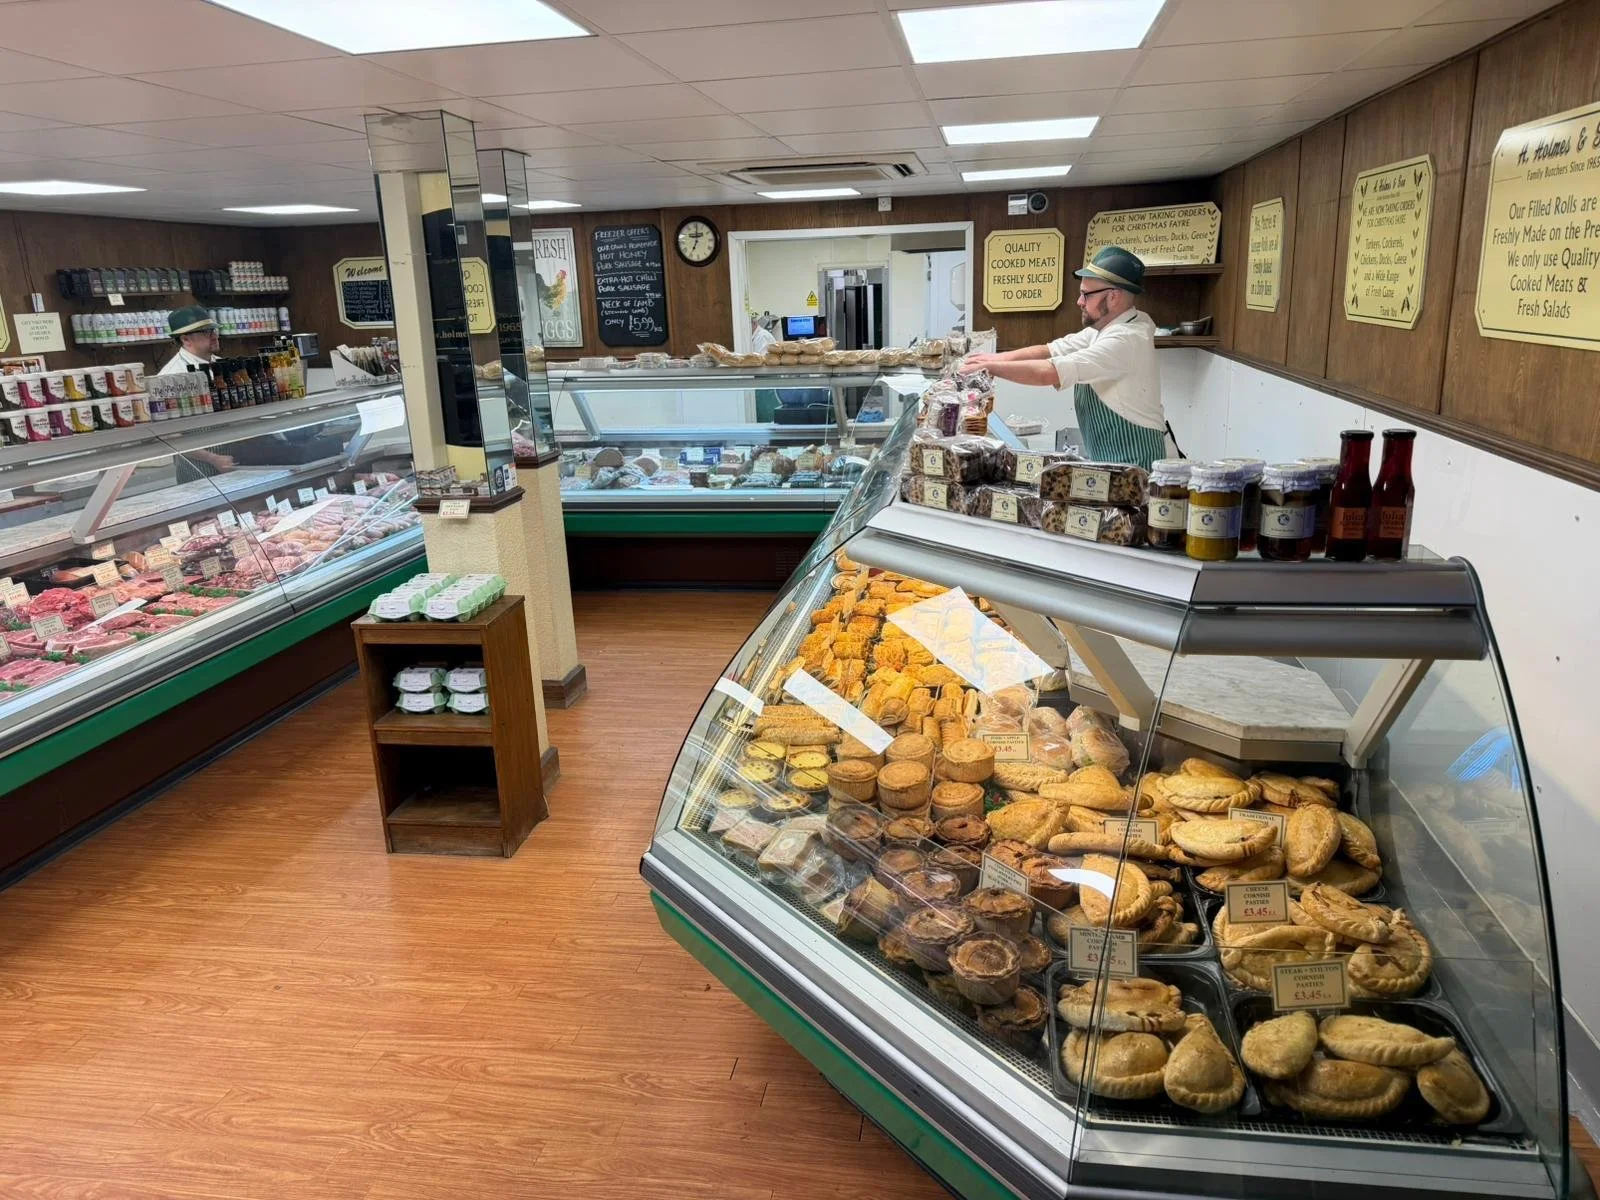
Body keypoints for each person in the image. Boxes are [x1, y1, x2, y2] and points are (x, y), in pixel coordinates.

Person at [962, 246, 1168, 469]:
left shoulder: (1125, 340)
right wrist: (991, 359)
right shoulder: (1105, 330)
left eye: (1086, 295)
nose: (1079, 301)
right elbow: (1049, 350)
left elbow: (1050, 371)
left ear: (1113, 296)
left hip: (1136, 466)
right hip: (1110, 463)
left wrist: (990, 368)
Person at [158, 305, 220, 376]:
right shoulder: (171, 376)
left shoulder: (222, 364)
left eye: (213, 330)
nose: (215, 336)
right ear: (185, 339)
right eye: (206, 331)